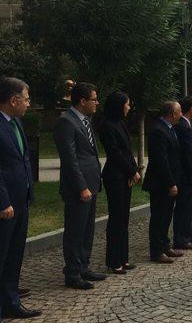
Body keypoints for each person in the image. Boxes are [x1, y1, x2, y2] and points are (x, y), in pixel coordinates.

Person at [54, 82, 106, 289]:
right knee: (75, 230)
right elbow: (70, 159)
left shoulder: (85, 120)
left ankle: (84, 265)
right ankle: (73, 272)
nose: (97, 103)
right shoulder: (66, 122)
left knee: (87, 228)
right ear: (82, 101)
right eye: (94, 99)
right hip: (78, 186)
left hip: (91, 183)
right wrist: (81, 186)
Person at [0, 77, 41, 318]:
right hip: (5, 203)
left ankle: (10, 302)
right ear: (13, 100)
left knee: (14, 255)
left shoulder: (16, 124)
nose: (29, 104)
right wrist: (3, 201)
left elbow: (22, 160)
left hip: (21, 199)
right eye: (26, 99)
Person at [100, 91, 140, 275]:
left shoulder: (121, 123)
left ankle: (123, 258)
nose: (129, 107)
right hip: (115, 176)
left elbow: (128, 151)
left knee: (124, 218)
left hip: (125, 175)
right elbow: (115, 153)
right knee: (116, 218)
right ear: (119, 105)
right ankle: (113, 259)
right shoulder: (107, 126)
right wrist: (131, 171)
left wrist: (134, 170)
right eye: (127, 104)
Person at [143, 101, 184, 264]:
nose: (181, 114)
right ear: (172, 113)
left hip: (170, 180)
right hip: (161, 183)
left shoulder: (169, 129)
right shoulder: (158, 130)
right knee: (159, 217)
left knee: (167, 215)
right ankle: (156, 251)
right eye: (179, 111)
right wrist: (170, 183)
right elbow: (161, 160)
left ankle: (165, 245)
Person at [172, 96, 192, 250]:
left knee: (189, 207)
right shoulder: (183, 127)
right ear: (191, 109)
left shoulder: (186, 125)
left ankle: (187, 235)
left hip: (190, 175)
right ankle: (181, 238)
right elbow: (188, 154)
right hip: (187, 176)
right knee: (183, 207)